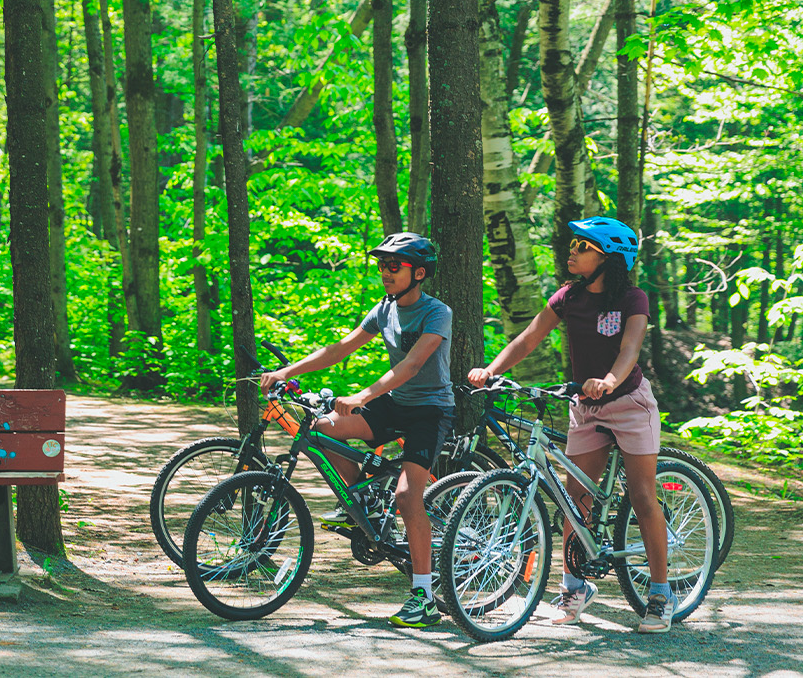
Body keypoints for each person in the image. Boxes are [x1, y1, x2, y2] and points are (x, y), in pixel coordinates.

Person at [468, 216, 675, 633]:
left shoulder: (632, 298)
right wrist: (491, 370)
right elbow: (528, 338)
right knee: (572, 499)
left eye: (583, 246)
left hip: (630, 403)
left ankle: (660, 593)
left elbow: (630, 347)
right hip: (587, 406)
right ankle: (573, 588)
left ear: (609, 257)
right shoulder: (567, 297)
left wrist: (610, 380)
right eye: (575, 244)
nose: (573, 250)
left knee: (641, 495)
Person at [261, 232, 454, 628]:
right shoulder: (384, 308)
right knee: (319, 429)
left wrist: (363, 394)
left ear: (418, 272)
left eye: (393, 266)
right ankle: (362, 506)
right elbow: (340, 348)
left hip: (430, 411)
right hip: (394, 405)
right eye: (382, 265)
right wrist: (287, 370)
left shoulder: (438, 312)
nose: (385, 272)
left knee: (406, 497)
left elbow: (412, 366)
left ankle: (425, 596)